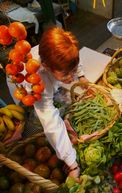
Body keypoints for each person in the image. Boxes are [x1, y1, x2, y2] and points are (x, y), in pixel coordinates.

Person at [30, 25, 89, 179]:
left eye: (73, 72)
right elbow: (51, 122)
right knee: (35, 113)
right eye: (65, 75)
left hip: (50, 81)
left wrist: (81, 75)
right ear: (46, 67)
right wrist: (72, 162)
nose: (71, 80)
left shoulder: (61, 53)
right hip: (26, 93)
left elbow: (74, 60)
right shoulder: (37, 82)